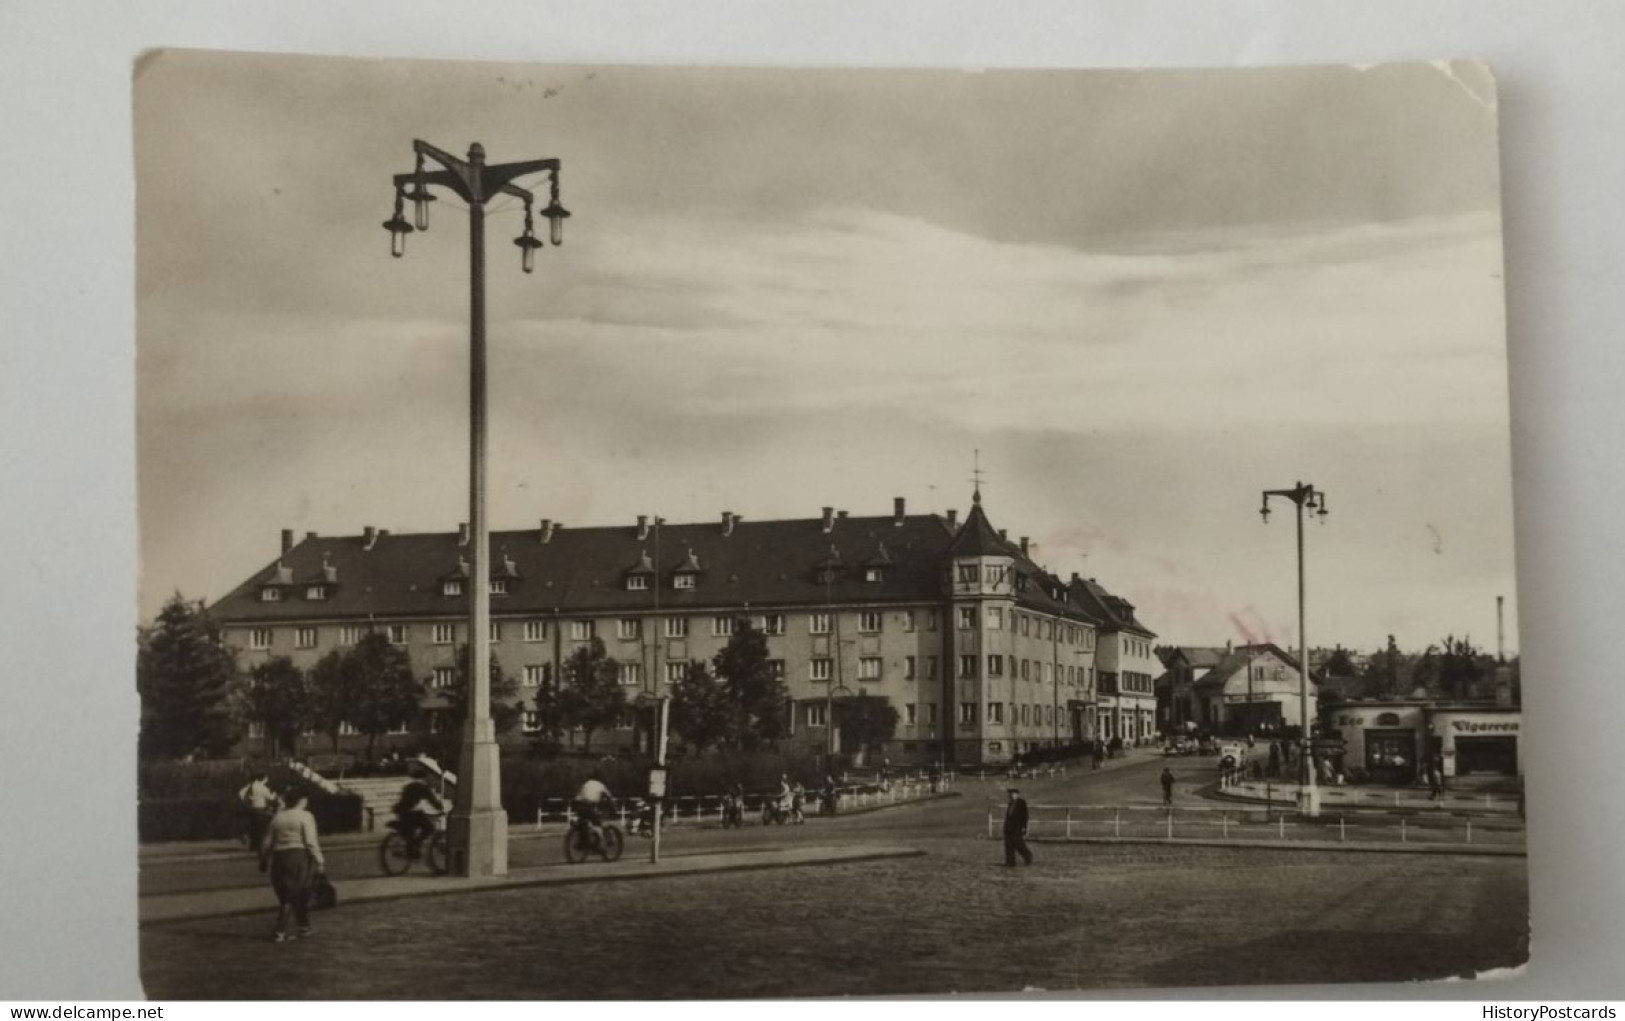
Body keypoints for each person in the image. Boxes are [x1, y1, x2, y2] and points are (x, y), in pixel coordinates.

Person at [259, 789, 325, 942]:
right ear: (301, 800)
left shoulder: (278, 817)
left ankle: (304, 926)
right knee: (294, 894)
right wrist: (320, 860)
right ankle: (279, 930)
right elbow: (310, 841)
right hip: (298, 857)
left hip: (279, 857)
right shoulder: (305, 816)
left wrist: (264, 859)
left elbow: (267, 841)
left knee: (292, 892)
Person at [391, 767, 444, 857]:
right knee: (429, 828)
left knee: (411, 832)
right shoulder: (423, 787)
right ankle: (415, 844)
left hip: (402, 813)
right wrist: (441, 809)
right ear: (423, 777)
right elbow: (432, 800)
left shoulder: (408, 786)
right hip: (413, 813)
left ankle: (411, 850)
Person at [572, 773, 614, 852]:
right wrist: (614, 809)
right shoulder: (600, 785)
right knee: (597, 823)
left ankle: (583, 841)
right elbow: (609, 798)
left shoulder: (586, 783)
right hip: (588, 805)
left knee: (583, 822)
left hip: (577, 804)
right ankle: (601, 846)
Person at [238, 772, 278, 852]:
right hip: (261, 809)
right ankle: (259, 845)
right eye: (266, 778)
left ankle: (253, 846)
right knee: (261, 828)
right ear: (263, 778)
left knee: (254, 827)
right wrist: (274, 794)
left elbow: (241, 793)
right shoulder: (263, 787)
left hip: (252, 808)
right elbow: (270, 798)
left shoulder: (251, 786)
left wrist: (247, 800)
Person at [1002, 788, 1032, 866]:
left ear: (1017, 794)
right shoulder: (1010, 804)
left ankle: (1028, 856)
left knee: (1018, 844)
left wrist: (1023, 827)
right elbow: (1008, 817)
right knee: (1008, 845)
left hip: (1017, 828)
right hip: (1009, 828)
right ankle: (1010, 861)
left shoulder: (1021, 803)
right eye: (1010, 794)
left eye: (1013, 794)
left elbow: (1025, 816)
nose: (1011, 795)